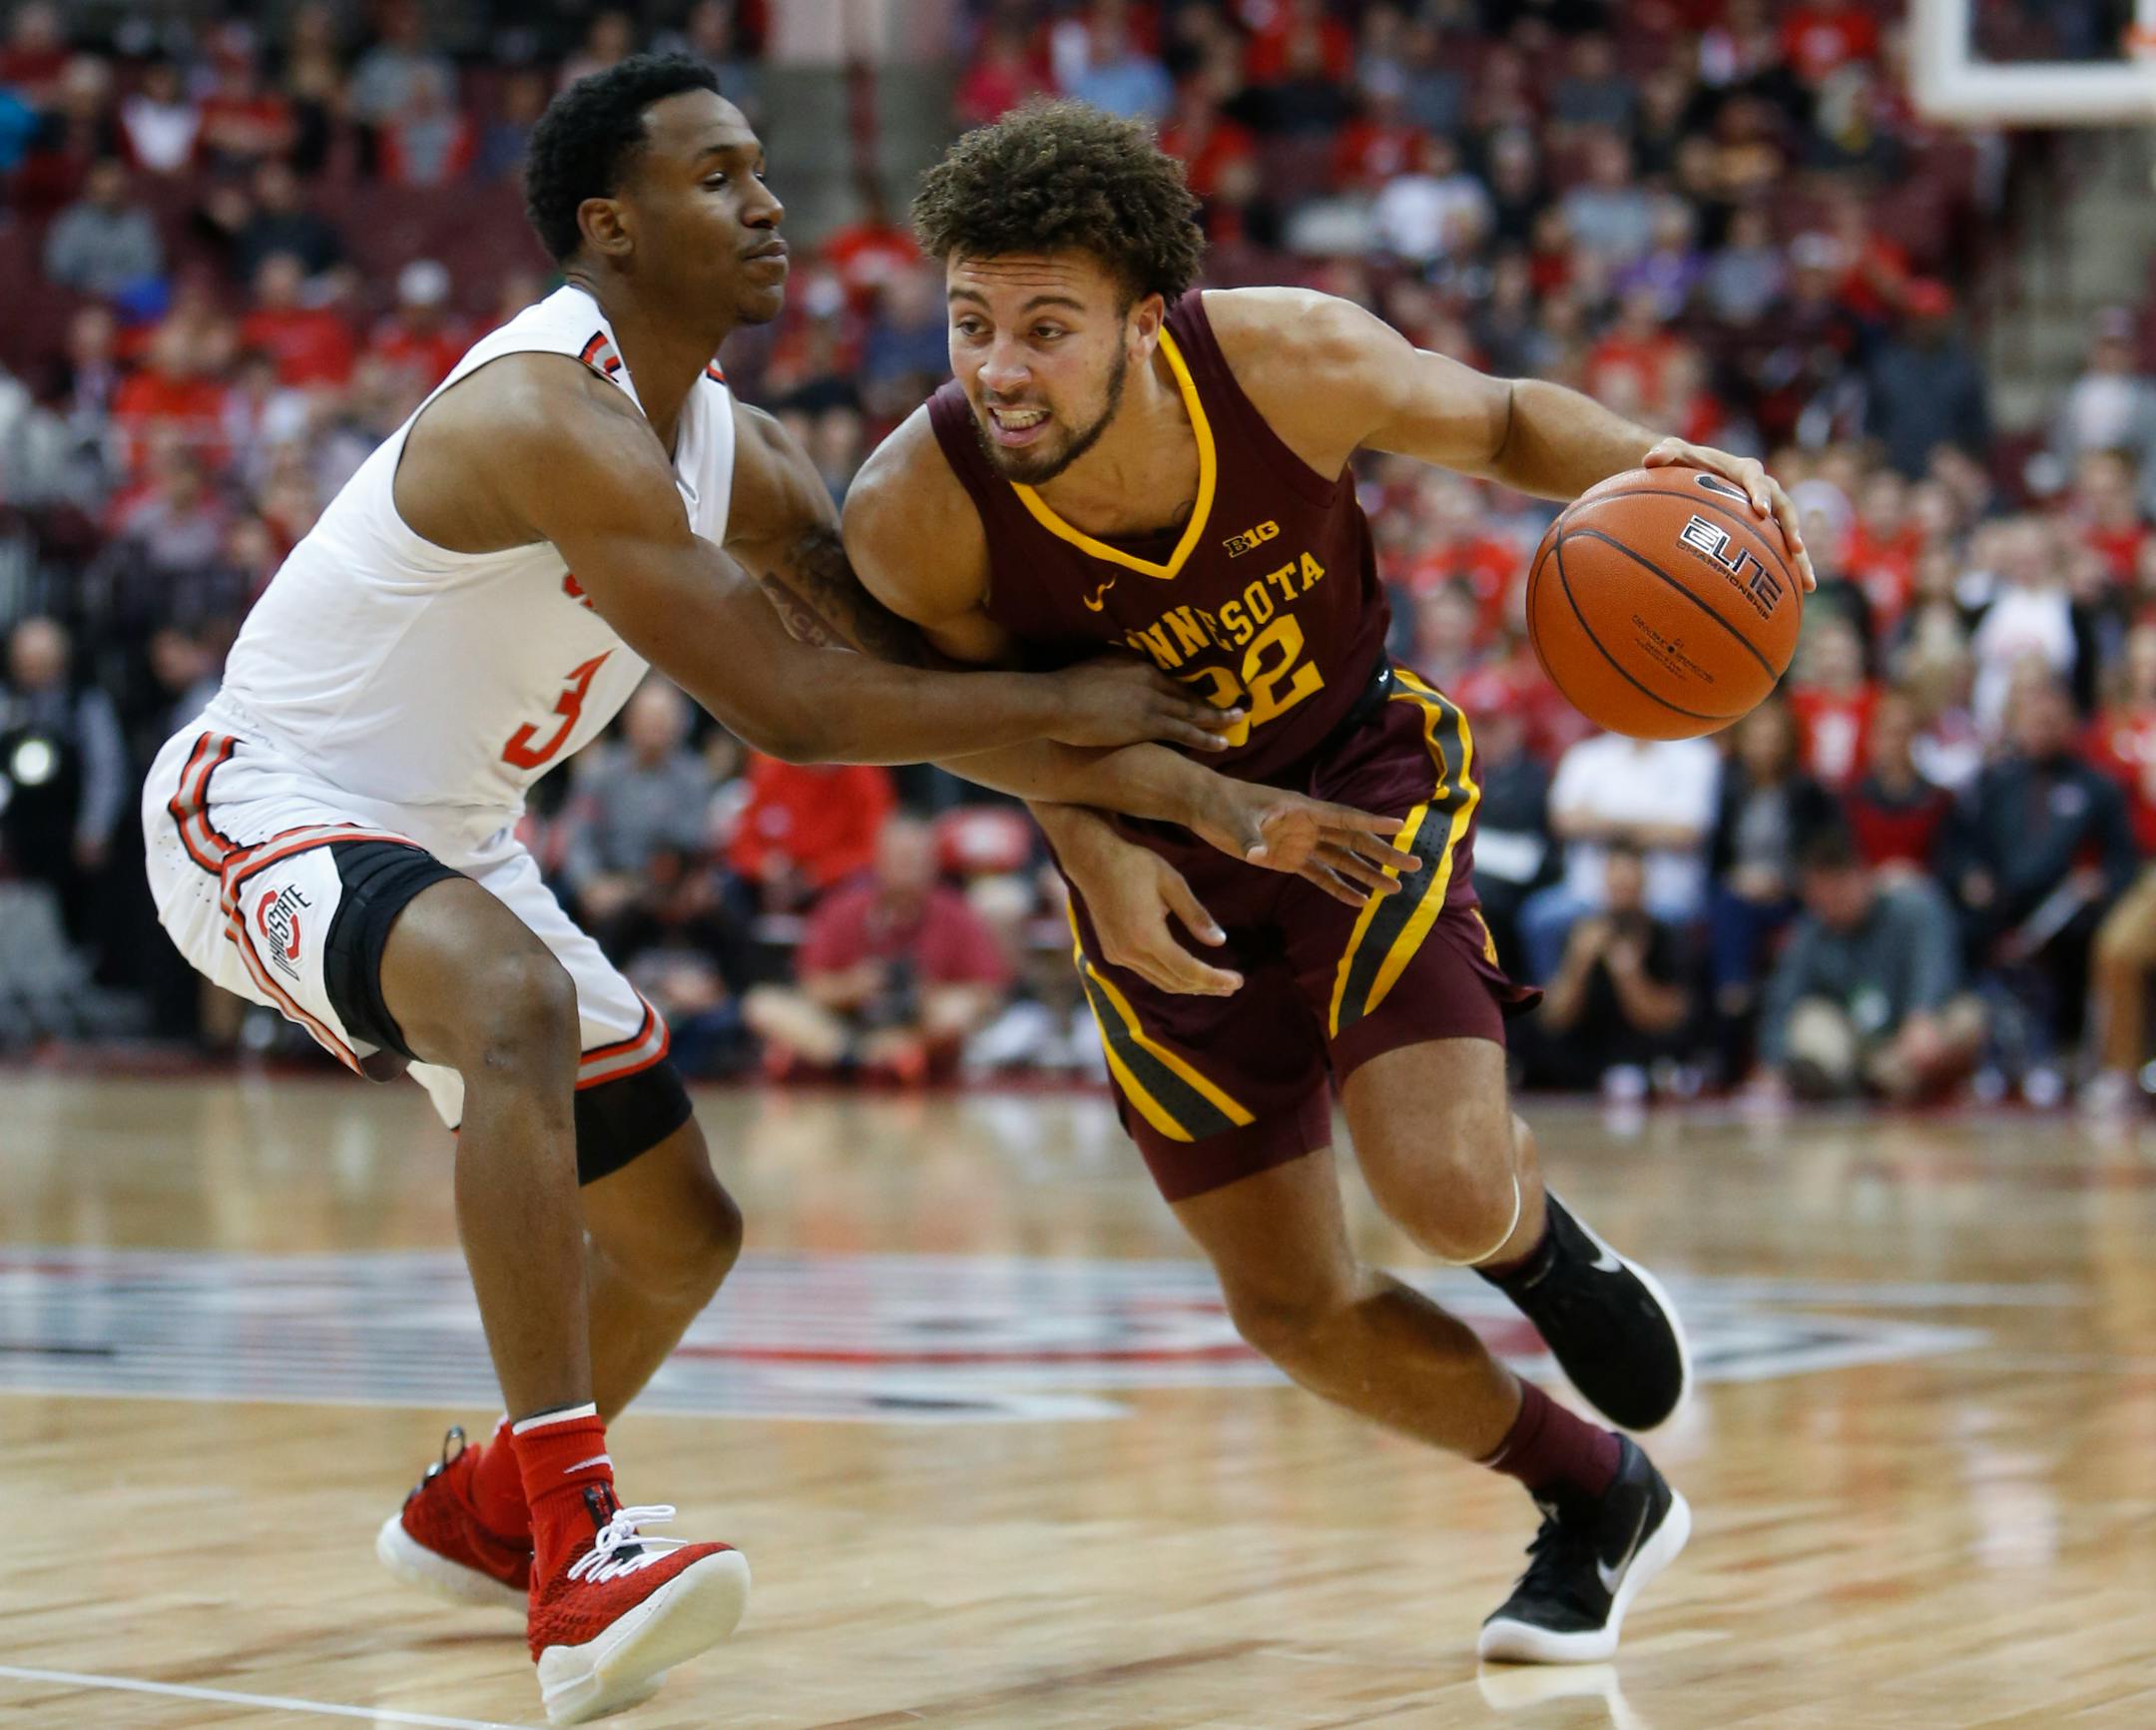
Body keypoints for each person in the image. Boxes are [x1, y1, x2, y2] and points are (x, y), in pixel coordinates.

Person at [140, 59, 1399, 1724]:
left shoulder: (730, 450)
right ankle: (575, 1553)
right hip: (262, 806)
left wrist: (1154, 798)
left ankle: (482, 1513)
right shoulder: (541, 412)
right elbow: (794, 710)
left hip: (454, 835)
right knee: (509, 1001)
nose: (768, 202)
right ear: (613, 225)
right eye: (720, 176)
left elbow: (914, 663)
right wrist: (1066, 721)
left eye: (760, 170)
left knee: (682, 1235)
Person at [839, 100, 1817, 1665]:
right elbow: (993, 728)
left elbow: (1498, 425)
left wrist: (1666, 465)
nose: (998, 367)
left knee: (1433, 1190)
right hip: (1154, 853)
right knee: (1289, 1304)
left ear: (1147, 324)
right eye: (970, 322)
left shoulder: (1285, 361)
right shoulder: (915, 511)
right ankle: (1595, 1493)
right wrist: (1096, 849)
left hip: (1355, 779)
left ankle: (1538, 1246)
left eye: (1044, 326)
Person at [742, 812, 1013, 1081]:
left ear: (934, 863)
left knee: (956, 1010)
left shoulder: (956, 913)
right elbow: (811, 985)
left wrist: (928, 995)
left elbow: (988, 992)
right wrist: (854, 986)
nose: (907, 869)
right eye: (900, 859)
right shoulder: (842, 907)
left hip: (916, 1026)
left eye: (915, 859)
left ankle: (887, 1055)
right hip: (846, 1028)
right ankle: (855, 1058)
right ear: (878, 859)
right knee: (763, 1004)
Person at [1757, 826, 1984, 1102]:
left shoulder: (1914, 907)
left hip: (1907, 1040)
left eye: (1839, 890)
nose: (1831, 903)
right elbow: (1784, 998)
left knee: (1968, 1016)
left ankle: (1893, 1084)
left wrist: (1922, 1014)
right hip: (1851, 1047)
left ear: (1863, 876)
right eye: (1821, 896)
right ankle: (1833, 1085)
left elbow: (1935, 966)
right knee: (1809, 1018)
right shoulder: (1811, 930)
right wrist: (1770, 1065)